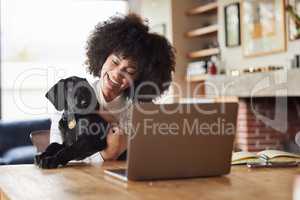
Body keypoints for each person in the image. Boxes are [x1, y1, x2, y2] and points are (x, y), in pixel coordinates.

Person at [49, 13, 175, 162]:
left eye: (130, 71)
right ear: (103, 57)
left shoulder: (141, 110)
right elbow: (58, 160)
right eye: (115, 62)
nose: (116, 74)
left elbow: (151, 158)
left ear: (139, 79)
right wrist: (105, 156)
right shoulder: (71, 94)